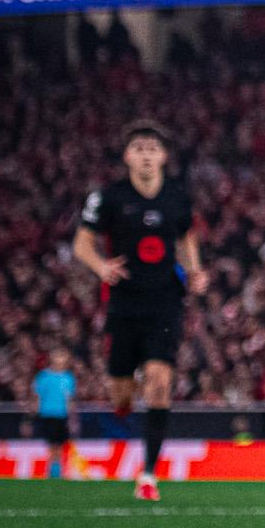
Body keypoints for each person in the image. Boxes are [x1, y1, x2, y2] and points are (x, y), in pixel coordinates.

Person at [70, 123, 201, 502]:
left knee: (160, 383)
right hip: (125, 304)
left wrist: (193, 271)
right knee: (121, 396)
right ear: (127, 156)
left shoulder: (177, 197)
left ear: (163, 156)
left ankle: (148, 475)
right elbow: (82, 243)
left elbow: (186, 236)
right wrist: (100, 266)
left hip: (165, 303)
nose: (145, 153)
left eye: (152, 147)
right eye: (138, 147)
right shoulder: (109, 197)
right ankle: (132, 387)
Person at [31, 349, 79, 481]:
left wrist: (72, 418)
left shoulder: (68, 378)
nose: (61, 360)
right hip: (47, 414)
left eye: (63, 357)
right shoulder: (43, 376)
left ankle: (57, 471)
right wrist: (30, 418)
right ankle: (53, 472)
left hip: (62, 415)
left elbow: (69, 399)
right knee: (52, 444)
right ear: (53, 359)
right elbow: (37, 397)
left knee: (60, 444)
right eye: (59, 357)